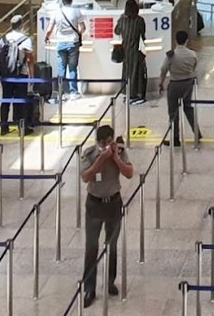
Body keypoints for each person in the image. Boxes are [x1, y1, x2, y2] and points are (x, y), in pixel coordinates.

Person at [79, 125, 133, 309]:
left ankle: (110, 282)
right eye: (102, 143)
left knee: (112, 246)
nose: (105, 146)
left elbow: (129, 173)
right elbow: (86, 176)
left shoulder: (120, 151)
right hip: (94, 204)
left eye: (108, 142)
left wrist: (116, 158)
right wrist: (101, 160)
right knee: (91, 247)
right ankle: (89, 288)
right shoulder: (89, 153)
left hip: (113, 204)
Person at [158, 30, 202, 147]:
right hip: (188, 83)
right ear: (187, 40)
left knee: (173, 112)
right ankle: (197, 132)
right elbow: (194, 66)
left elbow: (163, 69)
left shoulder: (171, 55)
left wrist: (161, 83)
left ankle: (176, 138)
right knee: (188, 107)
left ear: (175, 40)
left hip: (175, 84)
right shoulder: (192, 54)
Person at [0, 14, 35, 135]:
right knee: (20, 101)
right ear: (22, 25)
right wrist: (32, 75)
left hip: (6, 75)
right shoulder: (25, 39)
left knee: (5, 100)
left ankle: (3, 127)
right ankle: (22, 128)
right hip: (20, 74)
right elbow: (29, 59)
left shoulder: (3, 39)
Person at [45, 0, 87, 101]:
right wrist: (78, 33)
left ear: (62, 1)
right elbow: (83, 28)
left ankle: (61, 93)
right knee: (73, 68)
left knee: (61, 68)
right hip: (73, 42)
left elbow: (49, 29)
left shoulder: (56, 12)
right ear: (71, 0)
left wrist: (47, 37)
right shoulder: (77, 11)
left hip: (60, 42)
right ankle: (74, 92)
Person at [115, 0, 148, 104]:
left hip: (125, 50)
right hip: (136, 50)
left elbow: (116, 31)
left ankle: (128, 93)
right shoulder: (139, 20)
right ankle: (135, 94)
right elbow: (142, 34)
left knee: (126, 72)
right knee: (136, 73)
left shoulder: (122, 20)